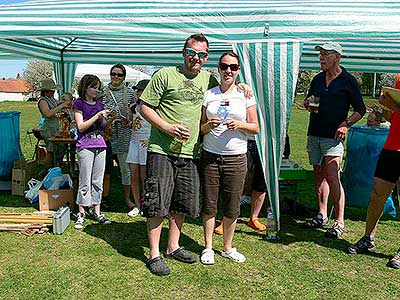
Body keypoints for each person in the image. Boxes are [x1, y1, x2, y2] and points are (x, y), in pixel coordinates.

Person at [139, 33, 252, 276]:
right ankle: (154, 254)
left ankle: (173, 246)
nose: (196, 58)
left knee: (181, 201)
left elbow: (227, 87)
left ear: (206, 57)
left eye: (201, 54)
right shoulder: (164, 75)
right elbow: (144, 107)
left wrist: (244, 86)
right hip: (162, 150)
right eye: (192, 52)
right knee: (158, 201)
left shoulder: (208, 79)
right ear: (184, 53)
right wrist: (167, 128)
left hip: (191, 152)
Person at [200, 51, 258, 265]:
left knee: (233, 205)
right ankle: (207, 248)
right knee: (209, 204)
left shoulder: (246, 95)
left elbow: (255, 128)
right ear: (218, 68)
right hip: (210, 156)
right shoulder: (210, 94)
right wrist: (209, 125)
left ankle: (227, 247)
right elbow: (200, 128)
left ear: (238, 70)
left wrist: (240, 125)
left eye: (233, 67)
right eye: (224, 66)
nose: (228, 71)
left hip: (236, 157)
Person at [304, 42, 366, 238]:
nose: (321, 58)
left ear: (337, 57)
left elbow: (360, 110)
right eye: (320, 54)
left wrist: (346, 124)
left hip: (333, 137)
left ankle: (339, 221)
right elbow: (310, 99)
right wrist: (308, 103)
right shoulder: (317, 79)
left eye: (325, 54)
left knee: (332, 176)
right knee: (319, 175)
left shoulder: (349, 80)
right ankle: (322, 214)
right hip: (314, 133)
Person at [348, 76, 400, 269]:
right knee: (377, 194)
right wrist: (386, 106)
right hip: (392, 147)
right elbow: (390, 117)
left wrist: (392, 106)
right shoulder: (399, 78)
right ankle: (368, 237)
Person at [73, 74, 112, 229]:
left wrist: (110, 120)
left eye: (98, 87)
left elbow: (102, 127)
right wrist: (97, 115)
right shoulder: (79, 103)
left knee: (97, 180)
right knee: (85, 180)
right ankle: (81, 212)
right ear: (85, 87)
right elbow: (81, 126)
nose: (96, 90)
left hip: (100, 145)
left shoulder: (99, 104)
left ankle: (97, 211)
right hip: (85, 145)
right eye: (93, 87)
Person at [103, 64, 135, 211]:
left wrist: (128, 120)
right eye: (113, 74)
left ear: (124, 77)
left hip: (124, 134)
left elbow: (134, 113)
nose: (116, 77)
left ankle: (127, 198)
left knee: (125, 169)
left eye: (119, 75)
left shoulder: (129, 92)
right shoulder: (102, 92)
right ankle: (104, 197)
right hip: (107, 134)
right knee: (105, 170)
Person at [125, 79, 151, 217]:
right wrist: (126, 122)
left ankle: (146, 204)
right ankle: (137, 205)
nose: (137, 92)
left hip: (146, 144)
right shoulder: (133, 106)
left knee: (144, 176)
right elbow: (132, 123)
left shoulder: (154, 107)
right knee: (133, 175)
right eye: (137, 90)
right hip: (134, 143)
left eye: (140, 90)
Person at [37, 78, 71, 170]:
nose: (54, 92)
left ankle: (56, 168)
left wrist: (68, 103)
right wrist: (61, 106)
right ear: (47, 91)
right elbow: (47, 114)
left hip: (55, 129)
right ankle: (47, 172)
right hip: (48, 129)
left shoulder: (52, 99)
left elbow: (59, 105)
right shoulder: (43, 101)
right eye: (52, 90)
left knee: (61, 148)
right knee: (51, 151)